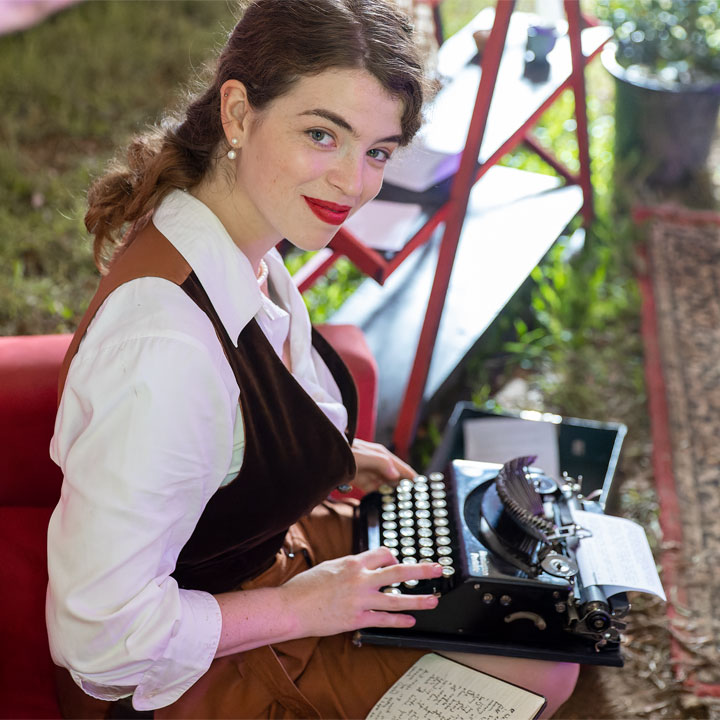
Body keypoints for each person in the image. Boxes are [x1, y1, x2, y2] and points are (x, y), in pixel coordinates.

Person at [46, 0, 579, 717]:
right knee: (540, 670)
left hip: (262, 553)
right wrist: (305, 609)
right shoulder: (164, 351)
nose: (354, 184)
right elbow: (98, 640)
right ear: (237, 113)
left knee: (532, 609)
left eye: (378, 151)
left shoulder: (232, 232)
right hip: (182, 675)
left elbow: (222, 430)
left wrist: (330, 453)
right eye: (323, 134)